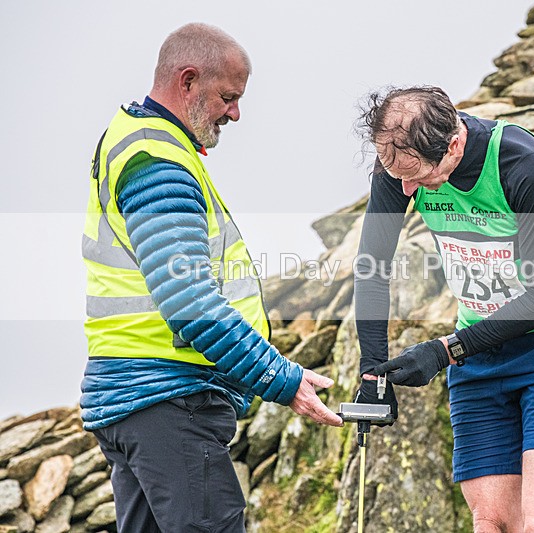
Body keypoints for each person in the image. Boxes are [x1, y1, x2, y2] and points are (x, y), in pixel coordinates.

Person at [80, 23, 342, 532]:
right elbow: (190, 300)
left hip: (132, 399)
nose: (235, 113)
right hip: (167, 399)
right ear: (187, 80)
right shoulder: (159, 162)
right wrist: (281, 379)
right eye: (227, 97)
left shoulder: (137, 141)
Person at [353, 86, 534, 532]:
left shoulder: (520, 163)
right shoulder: (398, 164)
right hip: (480, 354)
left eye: (416, 175)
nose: (406, 189)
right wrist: (373, 371)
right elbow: (372, 269)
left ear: (453, 145)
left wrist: (444, 351)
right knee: (491, 522)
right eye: (396, 174)